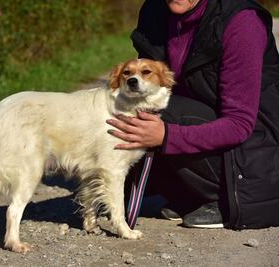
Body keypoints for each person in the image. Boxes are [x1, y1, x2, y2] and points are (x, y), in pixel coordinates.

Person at [106, 0, 279, 229]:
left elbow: (239, 124)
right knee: (133, 108)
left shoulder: (242, 23)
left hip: (254, 148)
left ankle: (222, 199)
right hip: (201, 120)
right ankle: (187, 194)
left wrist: (166, 136)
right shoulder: (154, 12)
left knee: (165, 113)